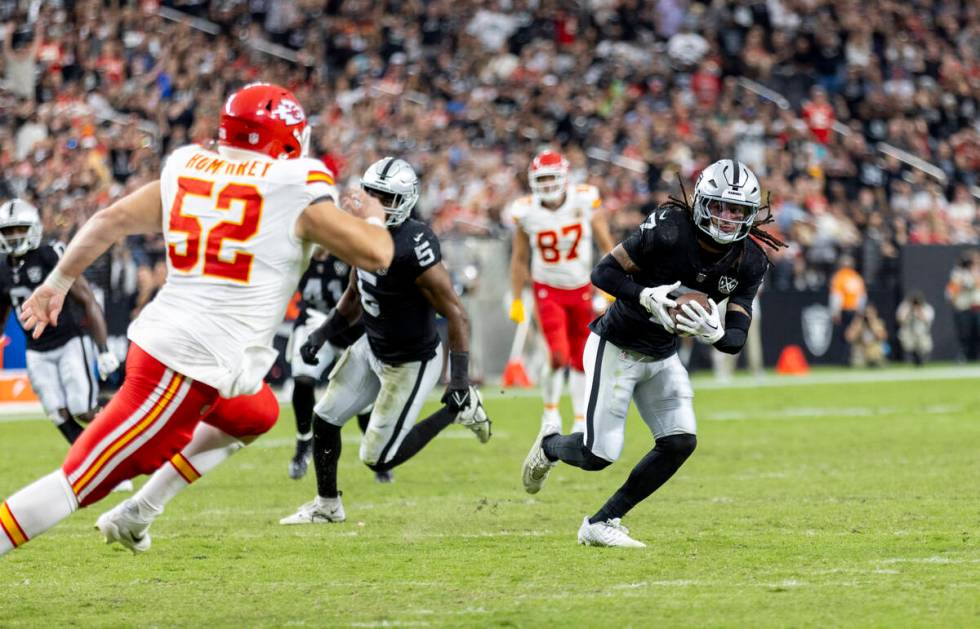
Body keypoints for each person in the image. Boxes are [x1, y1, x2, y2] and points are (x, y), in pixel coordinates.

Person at [0, 82, 394, 557]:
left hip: (197, 353)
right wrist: (375, 216)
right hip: (184, 364)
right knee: (78, 481)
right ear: (287, 138)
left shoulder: (188, 165)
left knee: (257, 412)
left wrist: (58, 282)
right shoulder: (294, 185)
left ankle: (138, 513)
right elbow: (378, 254)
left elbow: (109, 220)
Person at [521, 159, 783, 547]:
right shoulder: (670, 228)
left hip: (661, 354)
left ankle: (602, 521)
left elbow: (735, 340)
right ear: (700, 203)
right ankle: (549, 445)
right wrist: (646, 295)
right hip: (617, 344)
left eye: (738, 210)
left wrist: (713, 330)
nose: (727, 218)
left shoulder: (751, 259)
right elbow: (603, 274)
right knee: (598, 455)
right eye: (720, 207)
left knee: (680, 441)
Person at [280, 157, 490, 525]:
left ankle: (458, 410)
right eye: (373, 194)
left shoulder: (414, 245)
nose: (378, 204)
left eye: (387, 197)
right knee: (324, 418)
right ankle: (327, 505)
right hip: (371, 346)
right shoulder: (359, 230)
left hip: (411, 359)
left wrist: (459, 380)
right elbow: (355, 295)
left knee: (379, 458)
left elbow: (457, 313)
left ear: (407, 200)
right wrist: (322, 333)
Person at [508, 150, 614, 433]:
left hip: (581, 286)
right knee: (556, 354)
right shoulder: (526, 211)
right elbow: (519, 259)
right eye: (540, 178)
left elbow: (606, 244)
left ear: (564, 178)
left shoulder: (584, 199)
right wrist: (517, 298)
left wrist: (611, 284)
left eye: (550, 177)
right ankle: (551, 413)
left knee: (580, 357)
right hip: (548, 289)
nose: (546, 184)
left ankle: (580, 418)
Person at [0, 199, 120, 445]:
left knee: (83, 410)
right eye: (8, 231)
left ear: (33, 228)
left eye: (20, 229)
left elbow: (87, 299)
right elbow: (2, 310)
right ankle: (91, 462)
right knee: (56, 412)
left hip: (69, 341)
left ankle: (120, 438)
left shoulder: (49, 254)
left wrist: (103, 349)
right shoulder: (2, 268)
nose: (13, 237)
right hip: (36, 349)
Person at [285, 248, 372, 480]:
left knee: (363, 402)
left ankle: (376, 453)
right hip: (312, 325)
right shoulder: (299, 257)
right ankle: (303, 444)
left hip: (346, 330)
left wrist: (332, 321)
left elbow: (358, 299)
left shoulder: (345, 258)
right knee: (302, 378)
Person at [829, 254, 867, 364]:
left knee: (843, 335)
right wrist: (860, 312)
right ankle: (850, 358)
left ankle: (844, 359)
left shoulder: (839, 277)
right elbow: (862, 297)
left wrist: (835, 312)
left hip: (844, 309)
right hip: (855, 310)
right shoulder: (857, 277)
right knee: (851, 335)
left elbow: (836, 296)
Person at [896, 291, 934, 366]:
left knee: (924, 346)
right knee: (908, 343)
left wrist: (919, 311)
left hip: (921, 331)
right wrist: (910, 311)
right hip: (908, 332)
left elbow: (927, 320)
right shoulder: (905, 307)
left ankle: (921, 358)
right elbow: (900, 321)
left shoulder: (926, 308)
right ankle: (914, 358)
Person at [844, 303, 888, 367]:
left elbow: (883, 337)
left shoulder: (878, 322)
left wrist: (873, 323)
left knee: (878, 359)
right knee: (857, 364)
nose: (868, 316)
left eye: (870, 313)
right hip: (861, 353)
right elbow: (849, 338)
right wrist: (857, 326)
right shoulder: (858, 323)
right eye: (866, 313)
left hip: (874, 353)